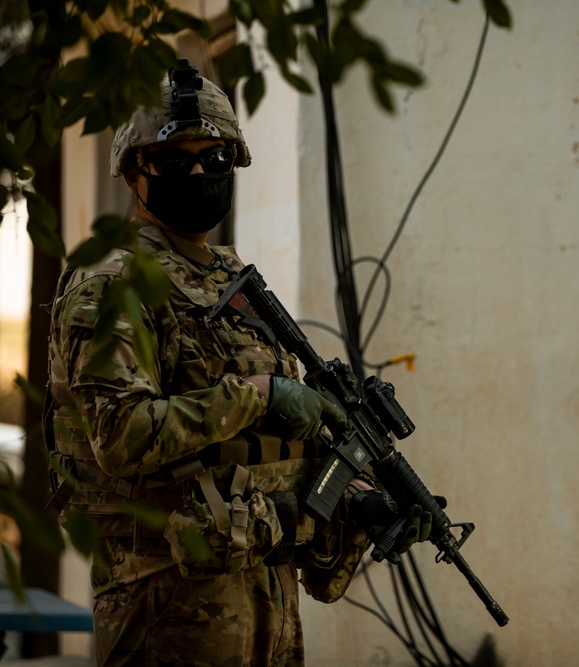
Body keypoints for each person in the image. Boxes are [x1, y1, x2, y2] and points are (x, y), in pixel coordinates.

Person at [45, 60, 429, 666]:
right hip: (166, 605)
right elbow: (119, 437)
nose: (198, 173)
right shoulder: (113, 283)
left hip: (265, 600)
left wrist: (359, 505)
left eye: (215, 159)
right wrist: (261, 393)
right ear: (133, 174)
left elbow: (268, 460)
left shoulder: (231, 282)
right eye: (175, 161)